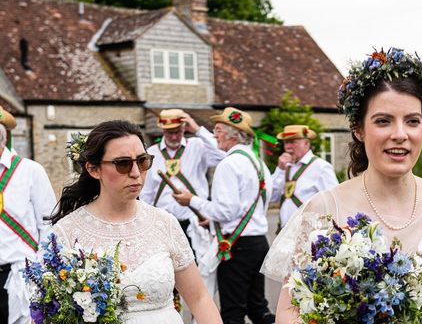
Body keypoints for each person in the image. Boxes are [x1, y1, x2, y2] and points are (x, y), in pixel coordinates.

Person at [263, 48, 422, 324]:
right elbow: (289, 311)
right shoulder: (323, 210)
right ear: (359, 128)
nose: (400, 135)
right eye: (383, 121)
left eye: (412, 121)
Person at [48, 120, 222, 324]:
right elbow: (49, 312)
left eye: (142, 161)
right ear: (94, 169)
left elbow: (200, 299)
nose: (136, 173)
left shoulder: (164, 223)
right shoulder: (67, 232)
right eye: (122, 163)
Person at [174, 107, 275, 324]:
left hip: (237, 248)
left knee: (233, 312)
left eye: (218, 130)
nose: (215, 134)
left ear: (231, 135)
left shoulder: (228, 165)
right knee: (258, 308)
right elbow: (253, 205)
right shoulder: (259, 163)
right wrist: (213, 221)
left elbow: (226, 210)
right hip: (258, 242)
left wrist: (191, 200)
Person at [0, 106, 56, 324]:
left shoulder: (30, 171)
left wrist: (40, 271)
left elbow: (49, 224)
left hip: (19, 276)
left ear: (3, 138)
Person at [140, 109, 225, 238]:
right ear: (162, 130)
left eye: (177, 132)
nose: (174, 137)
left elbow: (223, 155)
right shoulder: (152, 153)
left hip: (195, 222)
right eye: (169, 133)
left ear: (184, 128)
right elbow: (147, 193)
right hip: (163, 225)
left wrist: (197, 130)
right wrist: (147, 223)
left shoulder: (198, 146)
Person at [271, 124, 339, 231]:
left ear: (306, 143)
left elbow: (334, 202)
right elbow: (272, 197)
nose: (288, 147)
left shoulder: (321, 167)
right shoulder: (286, 166)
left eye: (293, 142)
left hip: (308, 233)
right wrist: (280, 169)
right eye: (286, 142)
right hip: (284, 232)